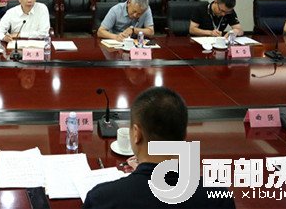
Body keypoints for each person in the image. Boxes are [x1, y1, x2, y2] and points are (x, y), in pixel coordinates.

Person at [83, 87, 235, 209]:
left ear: (136, 134)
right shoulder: (217, 195)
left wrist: (142, 175)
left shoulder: (101, 199)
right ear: (184, 135)